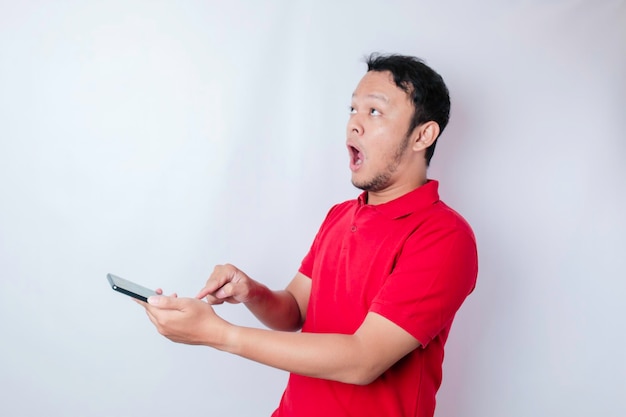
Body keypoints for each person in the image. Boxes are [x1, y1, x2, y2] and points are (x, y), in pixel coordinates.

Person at [140, 53, 478, 417]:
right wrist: (251, 292)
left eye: (374, 112)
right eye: (352, 110)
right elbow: (294, 312)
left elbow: (363, 360)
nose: (354, 125)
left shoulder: (444, 236)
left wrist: (219, 334)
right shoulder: (340, 215)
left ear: (423, 135)